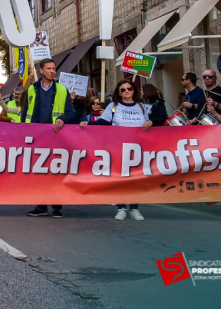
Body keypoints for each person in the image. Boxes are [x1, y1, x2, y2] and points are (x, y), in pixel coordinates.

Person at [80, 80, 152, 221]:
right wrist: (89, 123)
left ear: (134, 90)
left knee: (135, 179)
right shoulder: (113, 107)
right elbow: (103, 123)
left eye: (129, 88)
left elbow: (150, 124)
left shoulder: (142, 107)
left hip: (137, 148)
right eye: (123, 89)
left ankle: (135, 208)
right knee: (120, 178)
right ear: (118, 93)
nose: (126, 91)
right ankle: (121, 208)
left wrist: (151, 122)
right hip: (118, 148)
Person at [17, 59, 78, 218]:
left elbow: (73, 113)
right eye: (49, 68)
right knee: (39, 173)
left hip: (55, 137)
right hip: (36, 138)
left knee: (56, 172)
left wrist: (63, 118)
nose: (52, 71)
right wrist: (24, 133)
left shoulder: (62, 90)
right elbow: (25, 114)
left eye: (54, 68)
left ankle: (57, 207)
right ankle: (41, 206)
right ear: (41, 70)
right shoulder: (31, 89)